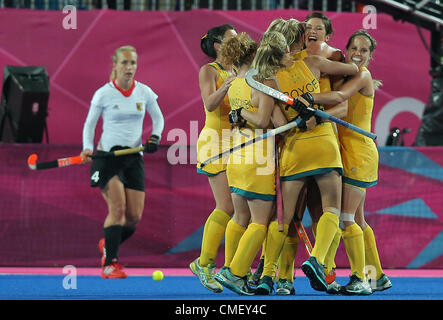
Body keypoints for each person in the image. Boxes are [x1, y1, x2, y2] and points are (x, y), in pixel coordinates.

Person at [247, 21, 359, 294]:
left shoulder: (266, 80)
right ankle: (318, 261)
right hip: (324, 145)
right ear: (292, 44)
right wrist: (316, 98)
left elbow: (275, 123)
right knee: (331, 209)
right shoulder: (313, 62)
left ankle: (269, 275)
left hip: (294, 150)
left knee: (283, 220)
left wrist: (296, 115)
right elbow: (353, 69)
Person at [311, 30, 392, 294]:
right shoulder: (345, 74)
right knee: (358, 218)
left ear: (371, 56)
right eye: (354, 48)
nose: (358, 53)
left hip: (359, 153)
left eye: (364, 50)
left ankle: (359, 278)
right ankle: (377, 276)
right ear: (346, 49)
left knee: (346, 217)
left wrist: (307, 101)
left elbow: (339, 99)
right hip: (345, 151)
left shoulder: (363, 75)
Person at [214, 31, 290, 295]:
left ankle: (230, 268)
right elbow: (263, 121)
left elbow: (268, 118)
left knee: (240, 217)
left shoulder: (233, 83)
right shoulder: (262, 81)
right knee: (260, 221)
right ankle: (235, 273)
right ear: (256, 54)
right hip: (257, 157)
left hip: (236, 155)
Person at [81, 45, 165, 279]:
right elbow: (90, 124)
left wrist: (155, 137)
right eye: (125, 63)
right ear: (115, 65)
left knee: (133, 218)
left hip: (133, 158)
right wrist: (87, 147)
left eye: (133, 63)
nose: (129, 68)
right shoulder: (103, 94)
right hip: (107, 158)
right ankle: (110, 264)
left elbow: (158, 119)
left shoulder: (144, 92)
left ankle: (108, 243)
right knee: (117, 209)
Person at [189, 24, 237, 293]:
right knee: (227, 206)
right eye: (232, 38)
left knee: (242, 210)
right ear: (218, 45)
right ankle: (204, 264)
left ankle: (231, 269)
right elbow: (209, 103)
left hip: (241, 145)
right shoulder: (209, 71)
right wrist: (229, 83)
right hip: (216, 143)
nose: (239, 41)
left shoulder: (241, 69)